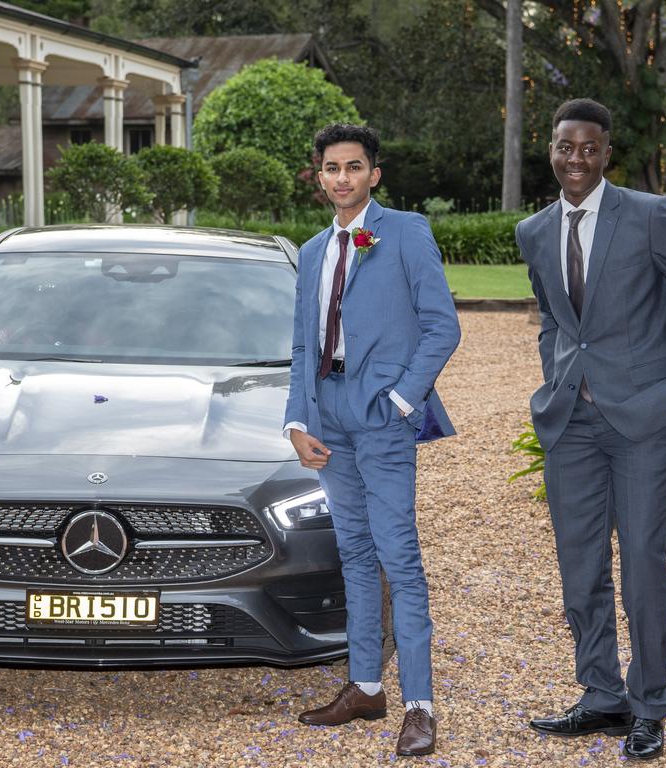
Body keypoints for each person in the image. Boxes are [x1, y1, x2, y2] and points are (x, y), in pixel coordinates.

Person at [516, 99, 666, 761]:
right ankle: (601, 694)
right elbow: (555, 319)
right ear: (550, 149)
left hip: (645, 420)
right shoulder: (534, 231)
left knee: (641, 564)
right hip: (570, 422)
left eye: (588, 148)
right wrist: (556, 377)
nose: (575, 159)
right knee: (580, 570)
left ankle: (649, 705)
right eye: (564, 146)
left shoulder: (649, 216)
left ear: (606, 154)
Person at [283, 123, 460, 757]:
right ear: (319, 176)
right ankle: (364, 688)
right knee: (354, 555)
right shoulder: (308, 253)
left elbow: (443, 327)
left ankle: (419, 705)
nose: (343, 178)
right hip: (328, 422)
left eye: (354, 167)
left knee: (399, 559)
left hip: (383, 420)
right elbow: (303, 345)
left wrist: (401, 400)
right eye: (332, 168)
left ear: (373, 174)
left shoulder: (406, 232)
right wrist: (297, 421)